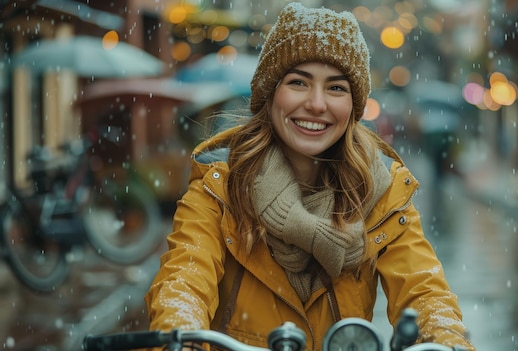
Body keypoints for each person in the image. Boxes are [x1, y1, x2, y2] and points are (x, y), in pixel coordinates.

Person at [145, 3, 476, 351]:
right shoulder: (219, 188)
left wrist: (446, 340)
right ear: (271, 93)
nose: (317, 104)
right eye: (299, 82)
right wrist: (179, 333)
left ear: (353, 106)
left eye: (336, 88)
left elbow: (425, 293)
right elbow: (183, 282)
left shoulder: (383, 194)